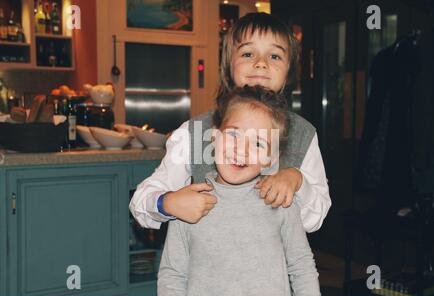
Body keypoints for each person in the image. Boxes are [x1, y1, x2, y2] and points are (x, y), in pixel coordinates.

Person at [129, 12, 331, 233]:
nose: (261, 63)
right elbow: (140, 202)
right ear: (228, 64)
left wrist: (297, 180)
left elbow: (315, 220)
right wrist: (166, 203)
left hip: (274, 267)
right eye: (247, 53)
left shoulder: (303, 135)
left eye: (274, 56)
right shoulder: (194, 133)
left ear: (289, 70)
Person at [158, 86, 321, 296]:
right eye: (234, 134)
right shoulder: (188, 203)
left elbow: (302, 268)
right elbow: (173, 275)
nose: (241, 150)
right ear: (215, 137)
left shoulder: (279, 201)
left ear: (271, 158)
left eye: (258, 143)